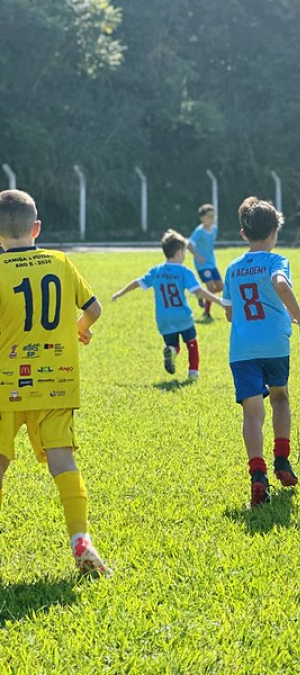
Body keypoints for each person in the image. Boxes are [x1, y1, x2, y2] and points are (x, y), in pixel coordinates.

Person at [0, 189, 109, 575]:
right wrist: (81, 329)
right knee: (63, 459)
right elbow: (94, 309)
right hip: (56, 381)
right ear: (37, 227)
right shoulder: (60, 262)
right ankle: (81, 539)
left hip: (5, 385)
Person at [222, 197, 300, 507]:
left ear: (243, 234)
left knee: (251, 412)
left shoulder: (233, 268)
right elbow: (281, 284)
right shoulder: (277, 261)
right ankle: (282, 461)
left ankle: (258, 475)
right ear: (275, 231)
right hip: (274, 344)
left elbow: (230, 314)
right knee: (280, 398)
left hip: (242, 349)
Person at [112, 230, 224, 379]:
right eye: (184, 253)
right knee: (191, 343)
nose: (184, 256)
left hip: (163, 318)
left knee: (173, 345)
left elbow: (137, 283)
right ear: (178, 253)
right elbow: (198, 291)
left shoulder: (157, 271)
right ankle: (193, 372)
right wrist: (218, 301)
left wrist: (121, 292)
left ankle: (171, 349)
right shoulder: (184, 271)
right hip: (183, 316)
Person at [187, 203, 222, 320]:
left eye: (214, 216)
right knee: (211, 287)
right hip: (202, 264)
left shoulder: (214, 229)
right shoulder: (199, 231)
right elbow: (189, 245)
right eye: (209, 216)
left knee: (220, 287)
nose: (212, 219)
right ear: (202, 218)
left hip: (212, 262)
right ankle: (206, 313)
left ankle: (200, 294)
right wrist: (197, 256)